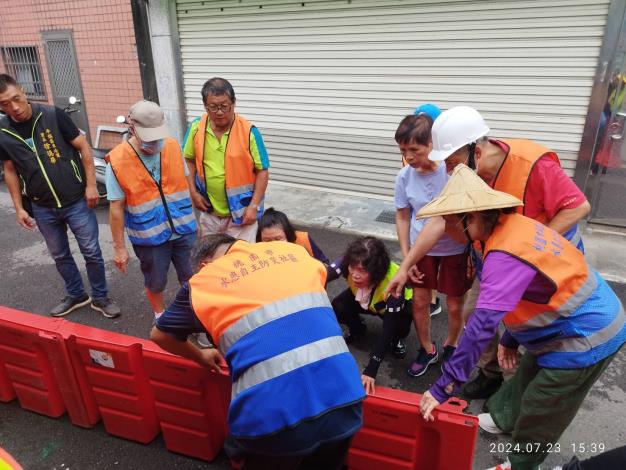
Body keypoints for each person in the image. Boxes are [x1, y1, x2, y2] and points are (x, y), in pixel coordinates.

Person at [415, 165, 625, 470]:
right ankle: (505, 419)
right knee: (524, 377)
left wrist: (444, 387)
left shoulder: (504, 252)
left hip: (587, 334)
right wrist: (512, 337)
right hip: (562, 322)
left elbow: (482, 325)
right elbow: (529, 289)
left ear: (470, 218)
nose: (443, 230)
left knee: (543, 405)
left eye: (447, 221)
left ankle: (522, 462)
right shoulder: (507, 226)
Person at [389, 105, 591, 399]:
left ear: (476, 152)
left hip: (544, 266)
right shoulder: (467, 171)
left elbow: (578, 207)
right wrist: (407, 264)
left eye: (451, 161)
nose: (446, 170)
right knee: (476, 316)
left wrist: (527, 251)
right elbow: (440, 220)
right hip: (495, 259)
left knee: (528, 326)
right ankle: (489, 374)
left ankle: (515, 392)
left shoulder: (532, 163)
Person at [151, 234, 364, 469]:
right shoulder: (294, 252)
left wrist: (200, 355)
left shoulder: (203, 282)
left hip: (273, 421)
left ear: (204, 266)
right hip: (346, 398)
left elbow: (159, 334)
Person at [0, 74, 120, 318]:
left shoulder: (53, 115)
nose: (14, 108)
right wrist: (19, 208)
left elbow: (84, 146)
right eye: (4, 104)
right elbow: (10, 170)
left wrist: (90, 186)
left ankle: (100, 297)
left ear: (23, 91)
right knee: (60, 255)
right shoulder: (3, 131)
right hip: (42, 206)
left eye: (16, 99)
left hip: (76, 200)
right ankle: (76, 294)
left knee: (91, 251)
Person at [394, 113, 471, 377]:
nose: (409, 156)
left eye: (414, 149)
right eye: (403, 150)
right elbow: (403, 215)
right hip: (421, 249)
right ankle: (428, 349)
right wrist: (408, 257)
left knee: (453, 304)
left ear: (432, 145)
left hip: (455, 249)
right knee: (420, 301)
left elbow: (444, 220)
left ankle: (452, 344)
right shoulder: (404, 177)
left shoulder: (452, 172)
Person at [106, 100, 197, 320]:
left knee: (193, 277)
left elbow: (186, 183)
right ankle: (160, 316)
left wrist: (196, 220)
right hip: (150, 236)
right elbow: (116, 208)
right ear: (132, 128)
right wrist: (119, 248)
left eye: (158, 135)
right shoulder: (117, 161)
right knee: (155, 281)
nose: (155, 143)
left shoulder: (173, 146)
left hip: (184, 228)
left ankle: (196, 314)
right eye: (149, 137)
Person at [183, 77, 269, 243]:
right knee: (212, 261)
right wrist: (193, 193)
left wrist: (254, 205)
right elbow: (188, 160)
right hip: (209, 213)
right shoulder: (196, 127)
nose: (220, 112)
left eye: (224, 106)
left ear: (233, 103)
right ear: (205, 106)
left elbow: (262, 171)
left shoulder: (249, 131)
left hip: (242, 214)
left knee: (241, 262)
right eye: (213, 107)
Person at [330, 236, 413, 394]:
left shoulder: (394, 283)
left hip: (389, 309)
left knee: (399, 329)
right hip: (364, 298)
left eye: (362, 270)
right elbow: (322, 275)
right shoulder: (349, 261)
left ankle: (396, 342)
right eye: (353, 268)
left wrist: (371, 369)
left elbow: (388, 328)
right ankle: (358, 329)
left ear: (376, 271)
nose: (355, 275)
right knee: (338, 306)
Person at [256, 207, 329, 264]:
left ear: (288, 233)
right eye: (267, 240)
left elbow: (323, 263)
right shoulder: (256, 248)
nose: (273, 244)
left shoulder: (302, 239)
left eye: (278, 239)